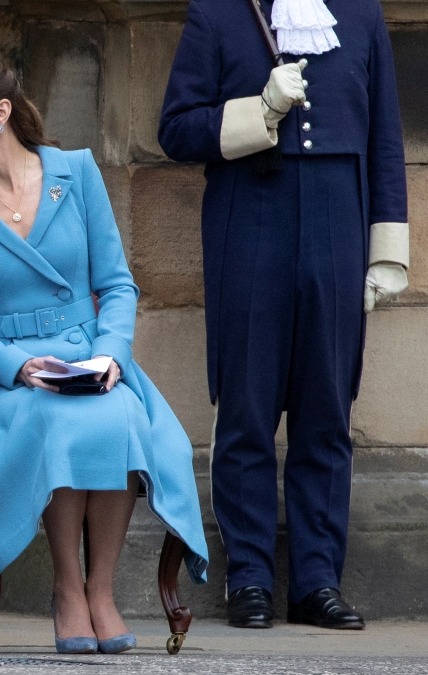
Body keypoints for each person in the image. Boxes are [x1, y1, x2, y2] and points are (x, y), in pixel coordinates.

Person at [0, 50, 208, 654]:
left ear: (0, 112)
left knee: (119, 414)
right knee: (55, 418)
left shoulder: (75, 171)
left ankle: (101, 590)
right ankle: (69, 589)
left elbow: (117, 283)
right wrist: (18, 366)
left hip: (89, 357)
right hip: (6, 378)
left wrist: (110, 356)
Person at [158, 0, 408, 630]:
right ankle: (248, 578)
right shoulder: (217, 15)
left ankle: (317, 582)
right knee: (246, 406)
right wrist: (259, 109)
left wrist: (387, 250)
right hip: (250, 221)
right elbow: (177, 130)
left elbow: (384, 138)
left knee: (327, 409)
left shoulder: (362, 14)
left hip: (337, 223)